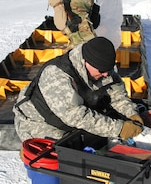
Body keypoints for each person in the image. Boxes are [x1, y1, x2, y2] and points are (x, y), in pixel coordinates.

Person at [13, 37, 144, 142]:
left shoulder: (103, 69)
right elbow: (76, 115)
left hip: (70, 119)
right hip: (37, 123)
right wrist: (119, 129)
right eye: (102, 71)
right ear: (86, 62)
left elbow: (117, 96)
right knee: (68, 153)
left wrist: (131, 114)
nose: (105, 75)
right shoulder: (57, 75)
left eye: (108, 71)